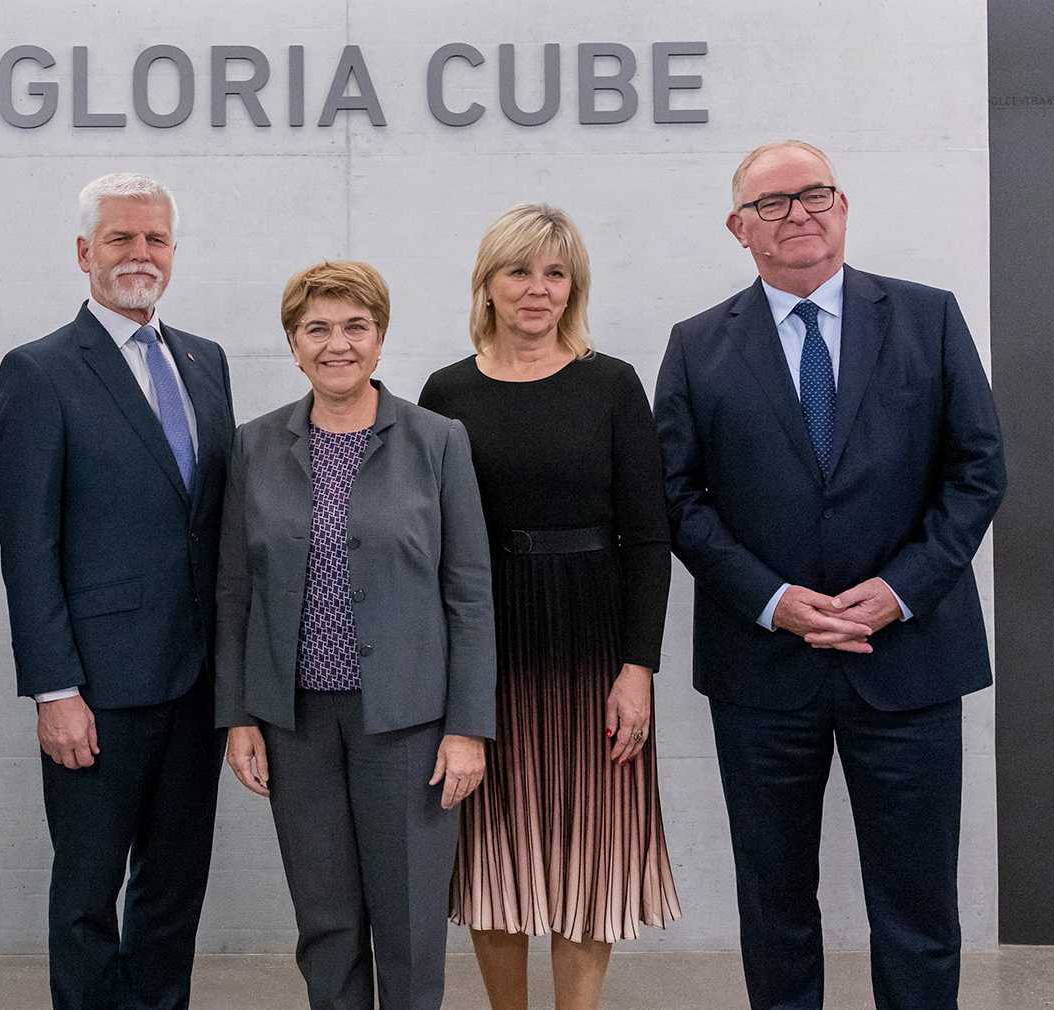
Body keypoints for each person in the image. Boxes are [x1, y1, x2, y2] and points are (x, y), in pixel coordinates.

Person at [652, 140, 1005, 1010]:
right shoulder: (697, 346)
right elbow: (676, 497)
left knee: (918, 908)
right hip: (764, 671)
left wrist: (900, 590)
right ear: (739, 229)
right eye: (772, 203)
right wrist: (772, 602)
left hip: (911, 661)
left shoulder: (929, 318)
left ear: (843, 207)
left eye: (815, 194)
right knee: (774, 906)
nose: (798, 212)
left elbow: (978, 469)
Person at [420, 204, 681, 1010]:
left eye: (555, 274)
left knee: (588, 853)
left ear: (575, 288)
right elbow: (430, 544)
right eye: (519, 271)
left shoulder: (611, 384)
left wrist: (637, 668)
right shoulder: (446, 390)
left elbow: (647, 537)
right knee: (494, 850)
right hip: (486, 641)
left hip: (593, 645)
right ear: (487, 285)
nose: (538, 290)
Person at [219, 260, 496, 1010]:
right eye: (317, 329)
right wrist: (239, 714)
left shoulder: (438, 440)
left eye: (354, 327)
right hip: (296, 723)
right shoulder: (253, 446)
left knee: (408, 925)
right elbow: (234, 591)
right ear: (293, 343)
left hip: (409, 724)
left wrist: (468, 726)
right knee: (326, 923)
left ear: (379, 339)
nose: (336, 344)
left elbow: (469, 590)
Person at [0, 173, 234, 1010]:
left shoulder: (206, 361)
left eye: (155, 239)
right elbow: (29, 545)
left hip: (198, 681)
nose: (141, 254)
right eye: (122, 239)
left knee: (172, 894)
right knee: (89, 898)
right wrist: (55, 689)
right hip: (97, 687)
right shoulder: (40, 371)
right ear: (84, 252)